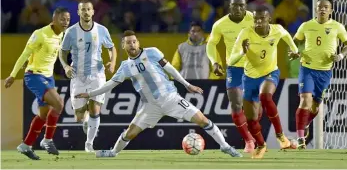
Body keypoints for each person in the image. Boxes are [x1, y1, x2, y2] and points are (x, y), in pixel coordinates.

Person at [75, 30, 242, 158]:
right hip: (150, 106)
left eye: (134, 41)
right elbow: (110, 85)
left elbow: (170, 70)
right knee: (129, 133)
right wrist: (90, 94)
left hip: (171, 98)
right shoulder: (125, 67)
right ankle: (113, 152)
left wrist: (187, 84)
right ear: (123, 46)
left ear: (138, 42)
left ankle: (225, 146)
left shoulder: (152, 52)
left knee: (203, 120)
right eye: (128, 43)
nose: (132, 45)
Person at [228, 6, 299, 159]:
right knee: (251, 119)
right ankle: (261, 144)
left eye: (262, 18)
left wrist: (294, 50)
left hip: (270, 72)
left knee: (265, 96)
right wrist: (242, 52)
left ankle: (281, 136)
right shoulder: (246, 33)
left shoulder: (277, 30)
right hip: (249, 78)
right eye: (256, 19)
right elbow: (230, 60)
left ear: (269, 19)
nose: (258, 22)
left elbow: (287, 36)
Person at [4, 7, 71, 160]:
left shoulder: (62, 35)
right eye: (62, 19)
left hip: (48, 77)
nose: (65, 22)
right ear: (54, 19)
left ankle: (26, 145)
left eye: (67, 19)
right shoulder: (40, 34)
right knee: (59, 103)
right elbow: (25, 54)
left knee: (43, 115)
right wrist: (13, 75)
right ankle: (47, 140)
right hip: (34, 75)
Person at [293, 0, 347, 149]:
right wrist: (294, 51)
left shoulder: (337, 26)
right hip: (307, 68)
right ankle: (300, 138)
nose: (322, 9)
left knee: (314, 106)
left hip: (325, 71)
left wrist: (341, 55)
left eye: (326, 7)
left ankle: (305, 123)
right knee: (305, 99)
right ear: (316, 9)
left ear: (331, 10)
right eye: (320, 6)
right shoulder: (306, 25)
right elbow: (294, 41)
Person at [58, 0, 117, 152]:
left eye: (88, 9)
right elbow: (62, 51)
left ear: (92, 11)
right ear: (78, 12)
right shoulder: (71, 32)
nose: (85, 12)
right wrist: (65, 66)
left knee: (95, 109)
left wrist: (112, 62)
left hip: (97, 74)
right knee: (78, 115)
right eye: (82, 9)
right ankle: (85, 120)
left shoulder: (101, 30)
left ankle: (89, 143)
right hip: (78, 76)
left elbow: (111, 48)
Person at [206, 0, 256, 153]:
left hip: (254, 67)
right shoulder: (220, 24)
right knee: (235, 105)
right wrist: (215, 62)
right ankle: (248, 141)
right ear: (229, 5)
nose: (238, 8)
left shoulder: (254, 19)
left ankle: (257, 137)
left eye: (241, 5)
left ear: (246, 6)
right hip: (234, 68)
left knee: (255, 107)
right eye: (235, 5)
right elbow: (211, 44)